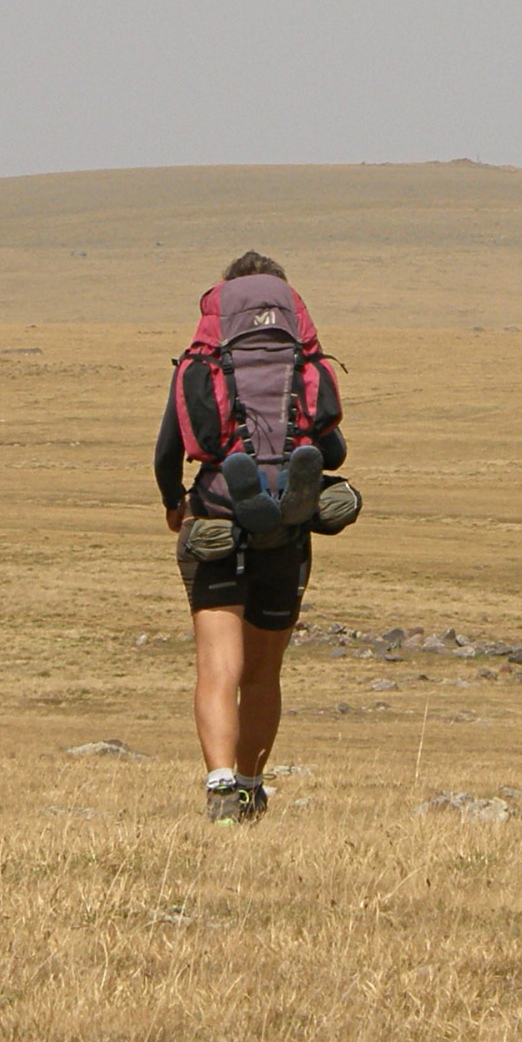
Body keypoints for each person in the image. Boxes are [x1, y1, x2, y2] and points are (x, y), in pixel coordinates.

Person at [154, 250, 358, 822]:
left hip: (214, 522)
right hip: (286, 538)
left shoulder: (203, 363)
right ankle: (249, 786)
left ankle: (219, 784)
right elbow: (332, 448)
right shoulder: (302, 364)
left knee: (219, 667)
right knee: (265, 671)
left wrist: (176, 505)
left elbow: (169, 450)